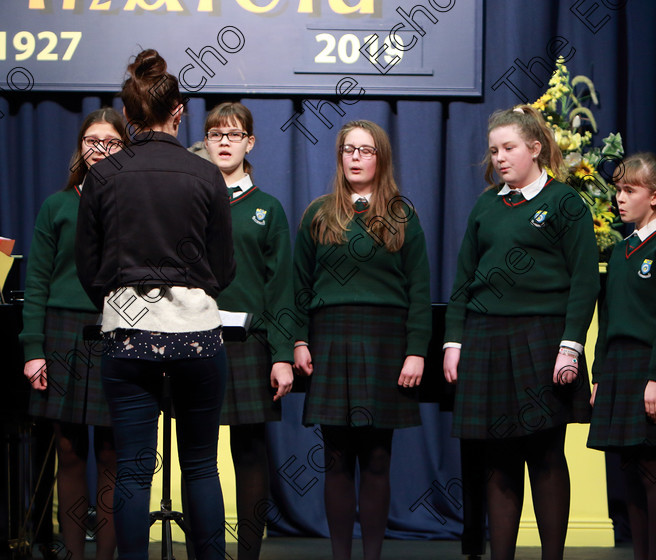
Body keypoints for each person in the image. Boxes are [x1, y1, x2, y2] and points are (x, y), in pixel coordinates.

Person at [75, 49, 235, 560]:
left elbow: (87, 265)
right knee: (202, 465)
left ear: (127, 115)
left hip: (126, 334)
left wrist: (122, 298)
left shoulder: (102, 177)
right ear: (179, 112)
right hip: (196, 334)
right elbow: (224, 267)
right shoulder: (208, 175)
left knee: (134, 466)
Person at [443, 105, 599, 560]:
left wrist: (570, 348)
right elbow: (463, 280)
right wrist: (454, 342)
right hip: (486, 338)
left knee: (546, 454)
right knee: (498, 457)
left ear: (535, 148)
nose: (500, 158)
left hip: (542, 337)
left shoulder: (565, 203)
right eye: (494, 150)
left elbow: (585, 281)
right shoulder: (486, 205)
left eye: (509, 148)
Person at [293, 120, 431, 560]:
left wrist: (415, 352)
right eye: (348, 150)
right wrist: (298, 341)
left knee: (375, 458)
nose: (355, 157)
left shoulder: (402, 216)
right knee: (335, 459)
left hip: (386, 345)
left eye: (365, 150)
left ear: (381, 159)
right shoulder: (318, 214)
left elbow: (420, 293)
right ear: (339, 157)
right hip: (330, 342)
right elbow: (296, 291)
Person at [20, 107, 126, 560]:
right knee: (69, 450)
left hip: (116, 330)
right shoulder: (57, 206)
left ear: (125, 147)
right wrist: (33, 349)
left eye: (111, 141)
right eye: (91, 140)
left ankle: (106, 555)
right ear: (80, 147)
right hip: (62, 332)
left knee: (111, 452)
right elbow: (37, 282)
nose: (100, 148)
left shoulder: (132, 204)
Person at [587, 152, 656, 560]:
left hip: (650, 367)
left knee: (652, 467)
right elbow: (608, 316)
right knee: (630, 470)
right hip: (617, 368)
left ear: (655, 197)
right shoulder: (621, 251)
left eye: (628, 190)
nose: (619, 198)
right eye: (617, 189)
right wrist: (599, 376)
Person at [202, 101, 294, 559]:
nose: (224, 141)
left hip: (250, 345)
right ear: (204, 141)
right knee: (198, 454)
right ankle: (208, 549)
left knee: (250, 452)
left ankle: (250, 554)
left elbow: (280, 290)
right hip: (193, 341)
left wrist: (281, 355)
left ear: (249, 143)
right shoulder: (191, 201)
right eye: (216, 134)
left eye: (233, 134)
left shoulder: (267, 209)